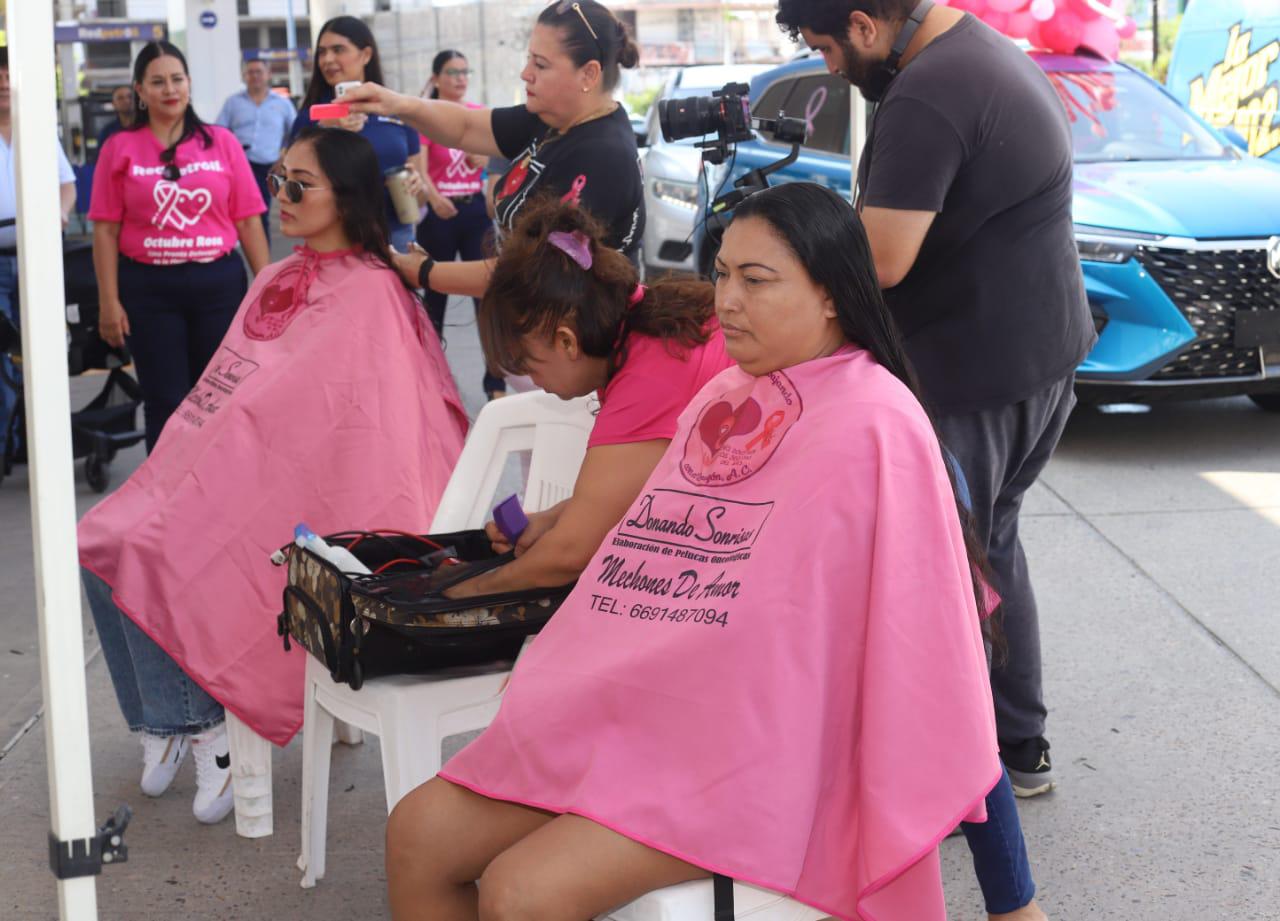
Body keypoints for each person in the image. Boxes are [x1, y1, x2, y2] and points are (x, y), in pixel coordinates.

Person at [384, 181, 1002, 921]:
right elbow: (649, 549)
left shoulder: (878, 423)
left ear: (833, 294)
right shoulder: (722, 396)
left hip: (751, 756)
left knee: (521, 893)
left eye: (757, 279)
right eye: (723, 273)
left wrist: (1011, 895)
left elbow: (926, 652)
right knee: (415, 834)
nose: (728, 300)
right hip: (639, 714)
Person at [77, 126, 468, 825]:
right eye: (277, 179)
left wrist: (239, 467)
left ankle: (209, 729)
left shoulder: (373, 295)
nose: (278, 196)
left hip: (298, 498)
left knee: (151, 547)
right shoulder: (273, 276)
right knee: (100, 534)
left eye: (298, 185)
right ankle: (166, 720)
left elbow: (357, 432)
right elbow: (235, 393)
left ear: (346, 198)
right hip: (224, 470)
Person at [775, 0, 1095, 799]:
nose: (829, 67)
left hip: (975, 376)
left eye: (825, 48)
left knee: (942, 573)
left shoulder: (928, 92)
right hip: (1037, 357)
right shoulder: (979, 50)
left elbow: (878, 259)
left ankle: (954, 776)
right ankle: (1018, 744)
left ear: (864, 24)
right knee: (988, 552)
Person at [443, 197, 732, 599]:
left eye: (531, 364)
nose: (534, 382)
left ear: (566, 341)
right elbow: (628, 490)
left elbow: (569, 556)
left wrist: (450, 595)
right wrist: (551, 519)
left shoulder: (648, 374)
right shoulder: (644, 319)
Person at [343, 0, 645, 306]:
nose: (525, 73)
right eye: (529, 60)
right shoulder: (549, 119)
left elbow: (535, 273)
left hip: (579, 344)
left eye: (540, 65)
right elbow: (465, 127)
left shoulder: (603, 156)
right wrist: (397, 104)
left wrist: (427, 273)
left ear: (589, 74)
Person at [91, 41, 271, 452]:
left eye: (176, 79)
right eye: (157, 82)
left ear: (189, 83)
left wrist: (266, 290)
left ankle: (218, 498)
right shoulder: (119, 148)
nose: (169, 89)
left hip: (218, 285)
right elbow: (104, 231)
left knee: (221, 399)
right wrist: (108, 302)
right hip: (149, 290)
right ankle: (166, 506)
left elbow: (247, 219)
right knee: (166, 403)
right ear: (140, 90)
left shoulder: (220, 142)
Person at [414, 50, 506, 399]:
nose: (460, 78)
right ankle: (429, 378)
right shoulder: (428, 115)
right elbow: (418, 169)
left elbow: (492, 162)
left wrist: (483, 160)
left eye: (465, 71)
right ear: (436, 78)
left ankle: (495, 383)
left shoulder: (477, 114)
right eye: (452, 72)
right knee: (434, 294)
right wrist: (434, 196)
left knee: (486, 297)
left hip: (473, 214)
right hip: (439, 214)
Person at [0, 46, 77, 457]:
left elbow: (66, 184)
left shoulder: (38, 130)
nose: (3, 87)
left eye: (9, 80)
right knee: (3, 357)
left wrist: (61, 212)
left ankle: (39, 444)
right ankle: (7, 442)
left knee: (41, 351)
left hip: (37, 262)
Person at [291, 16, 425, 251]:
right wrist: (324, 129)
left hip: (395, 237)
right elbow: (285, 183)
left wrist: (416, 186)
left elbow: (421, 197)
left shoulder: (397, 110)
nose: (328, 59)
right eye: (322, 52)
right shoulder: (311, 115)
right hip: (332, 239)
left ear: (366, 55)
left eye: (338, 50)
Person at [216, 58, 298, 242]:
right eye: (250, 72)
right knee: (234, 212)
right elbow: (219, 133)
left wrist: (283, 159)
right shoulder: (233, 103)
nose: (255, 76)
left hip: (267, 168)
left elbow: (294, 134)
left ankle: (262, 262)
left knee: (260, 213)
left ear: (268, 75)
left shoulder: (282, 104)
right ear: (244, 76)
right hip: (239, 166)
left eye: (259, 72)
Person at [94, 85, 135, 159]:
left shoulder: (147, 128)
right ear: (113, 104)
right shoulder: (107, 132)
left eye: (130, 97)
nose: (126, 101)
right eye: (120, 98)